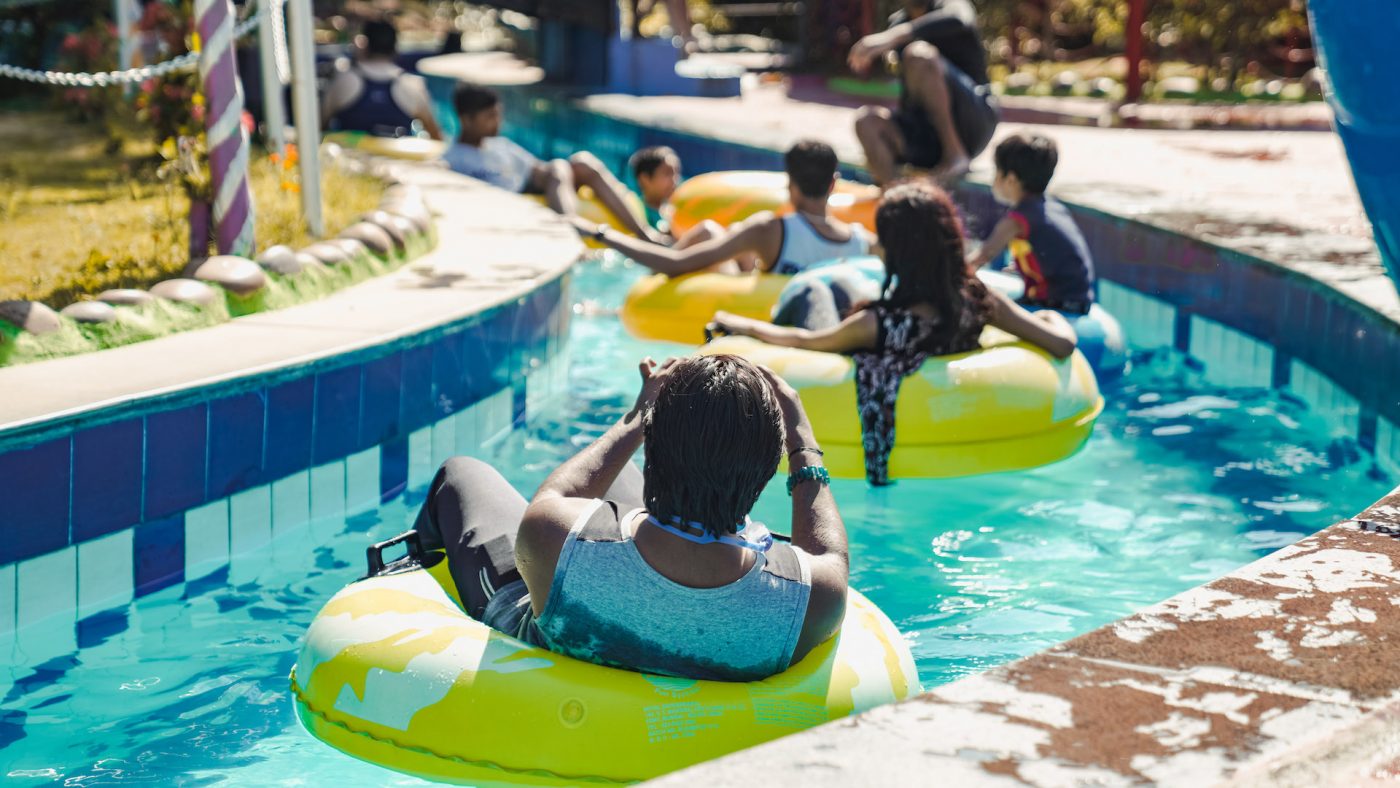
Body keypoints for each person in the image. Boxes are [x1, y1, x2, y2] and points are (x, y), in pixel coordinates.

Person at [410, 354, 849, 682]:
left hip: (551, 639)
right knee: (626, 485)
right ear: (768, 471)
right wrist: (803, 442)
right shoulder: (810, 598)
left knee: (460, 473)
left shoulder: (556, 537)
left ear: (652, 446)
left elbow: (557, 493)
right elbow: (827, 551)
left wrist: (639, 416)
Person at [709, 182, 1076, 485]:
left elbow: (805, 342)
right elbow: (1062, 343)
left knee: (813, 293)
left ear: (895, 251)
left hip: (838, 341)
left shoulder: (876, 325)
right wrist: (1047, 315)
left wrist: (741, 326)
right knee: (843, 291)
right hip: (911, 346)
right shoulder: (977, 301)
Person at [573, 140, 873, 277]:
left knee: (707, 232)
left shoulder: (769, 230)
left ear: (790, 184)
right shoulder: (865, 244)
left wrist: (602, 235)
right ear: (834, 185)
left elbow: (675, 263)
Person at [445, 83, 664, 243]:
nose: (497, 123)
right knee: (559, 166)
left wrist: (560, 174)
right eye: (490, 117)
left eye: (498, 115)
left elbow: (538, 169)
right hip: (513, 205)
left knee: (581, 162)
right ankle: (570, 225)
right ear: (467, 119)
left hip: (538, 185)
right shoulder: (454, 158)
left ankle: (644, 234)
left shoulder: (500, 145)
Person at [849, 0, 1000, 184]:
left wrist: (893, 36)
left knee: (918, 55)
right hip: (926, 134)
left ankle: (955, 155)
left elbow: (960, 19)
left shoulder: (952, 6)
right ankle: (894, 195)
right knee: (867, 121)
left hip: (973, 122)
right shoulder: (898, 21)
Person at [964, 133, 1096, 315]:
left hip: (1055, 305)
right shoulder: (1052, 207)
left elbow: (982, 256)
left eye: (996, 173)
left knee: (983, 309)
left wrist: (948, 275)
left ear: (1010, 180)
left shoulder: (1016, 220)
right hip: (1078, 300)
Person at [321, 19, 444, 140]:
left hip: (349, 157)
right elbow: (436, 138)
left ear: (365, 46)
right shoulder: (412, 85)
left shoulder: (343, 80)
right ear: (395, 49)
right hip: (397, 159)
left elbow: (319, 127)